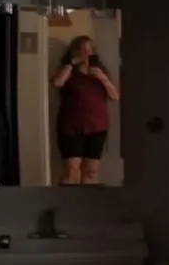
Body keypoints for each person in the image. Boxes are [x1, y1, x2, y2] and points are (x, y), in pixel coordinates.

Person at [51, 35, 119, 184]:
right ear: (74, 52)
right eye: (82, 50)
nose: (87, 54)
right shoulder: (68, 70)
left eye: (90, 50)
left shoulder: (101, 72)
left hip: (97, 126)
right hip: (71, 127)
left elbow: (114, 96)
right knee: (70, 170)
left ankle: (87, 203)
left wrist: (102, 78)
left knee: (91, 171)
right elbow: (57, 83)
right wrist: (72, 63)